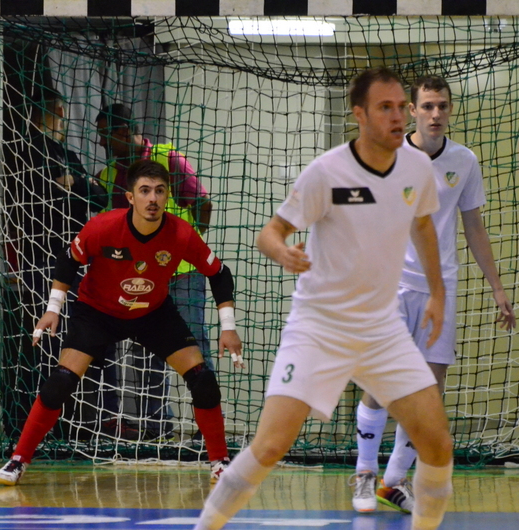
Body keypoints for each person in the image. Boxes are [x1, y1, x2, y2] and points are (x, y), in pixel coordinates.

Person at [194, 67, 453, 530]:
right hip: (319, 327)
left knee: (437, 445)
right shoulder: (327, 171)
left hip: (382, 329)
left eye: (401, 107)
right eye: (385, 108)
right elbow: (270, 233)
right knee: (270, 446)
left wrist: (437, 292)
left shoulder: (417, 168)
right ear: (360, 115)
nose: (398, 117)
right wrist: (283, 252)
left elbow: (423, 225)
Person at [0, 159, 244, 487]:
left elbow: (219, 273)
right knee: (61, 382)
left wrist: (228, 326)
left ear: (167, 196)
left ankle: (220, 462)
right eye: (145, 191)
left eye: (159, 191)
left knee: (203, 380)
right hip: (97, 312)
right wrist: (53, 309)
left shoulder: (182, 234)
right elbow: (69, 260)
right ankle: (18, 459)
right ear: (130, 197)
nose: (152, 198)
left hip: (153, 314)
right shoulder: (103, 227)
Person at [351, 75, 517, 514]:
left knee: (428, 392)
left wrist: (497, 287)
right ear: (412, 111)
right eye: (427, 106)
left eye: (442, 105)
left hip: (440, 289)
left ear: (450, 109)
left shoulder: (464, 160)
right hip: (391, 287)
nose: (435, 113)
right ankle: (365, 475)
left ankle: (392, 482)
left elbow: (474, 227)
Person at [94, 103, 214, 439]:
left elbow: (202, 203)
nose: (100, 143)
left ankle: (208, 427)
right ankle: (156, 426)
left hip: (182, 275)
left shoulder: (167, 159)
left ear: (122, 131)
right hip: (141, 282)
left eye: (104, 135)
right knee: (146, 352)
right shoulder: (109, 175)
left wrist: (186, 249)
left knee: (193, 348)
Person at [1, 88, 108, 439]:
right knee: (49, 341)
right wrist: (76, 184)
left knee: (72, 340)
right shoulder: (27, 152)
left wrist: (77, 182)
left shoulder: (65, 155)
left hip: (71, 261)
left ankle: (74, 421)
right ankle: (48, 423)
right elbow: (45, 191)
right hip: (43, 262)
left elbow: (99, 195)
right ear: (59, 112)